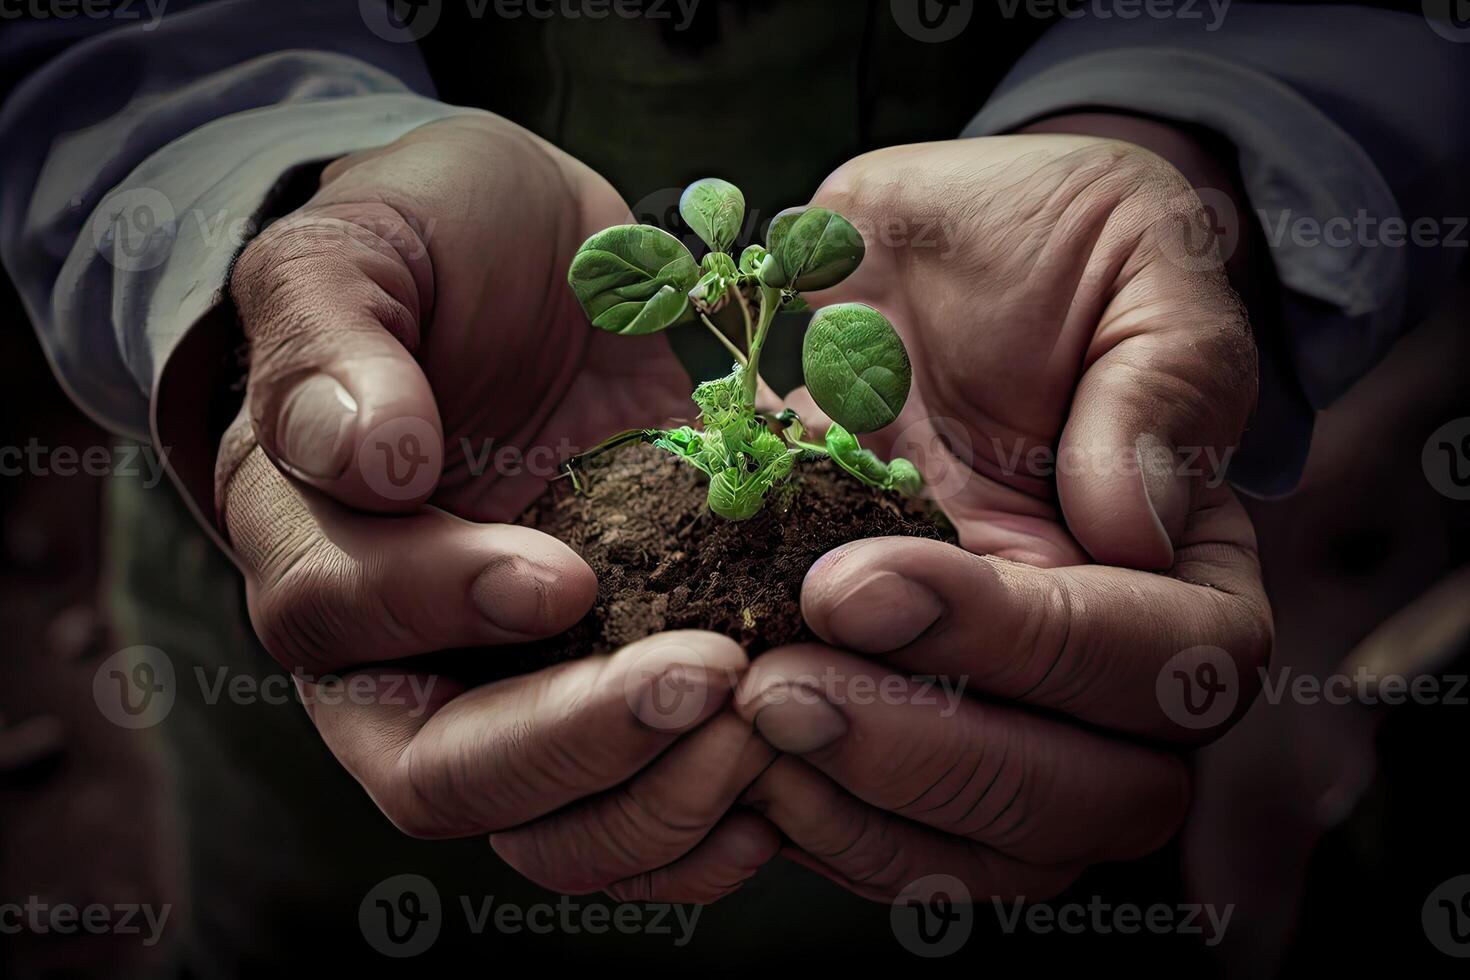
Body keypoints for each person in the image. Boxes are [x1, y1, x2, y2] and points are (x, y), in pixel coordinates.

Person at [1, 0, 1464, 970]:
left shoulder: (823, 393)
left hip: (1020, 780)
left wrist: (1192, 146)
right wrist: (266, 197)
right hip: (374, 619)